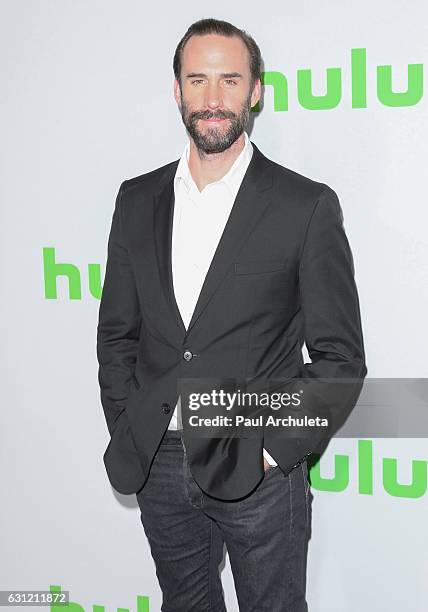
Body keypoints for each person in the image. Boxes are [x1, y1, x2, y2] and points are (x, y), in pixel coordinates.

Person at [96, 17, 367, 611]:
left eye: (229, 81)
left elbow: (340, 361)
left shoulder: (306, 205)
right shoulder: (136, 200)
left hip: (260, 470)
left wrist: (272, 453)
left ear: (256, 90)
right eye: (197, 81)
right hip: (160, 463)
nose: (213, 99)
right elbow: (117, 334)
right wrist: (130, 422)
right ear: (177, 91)